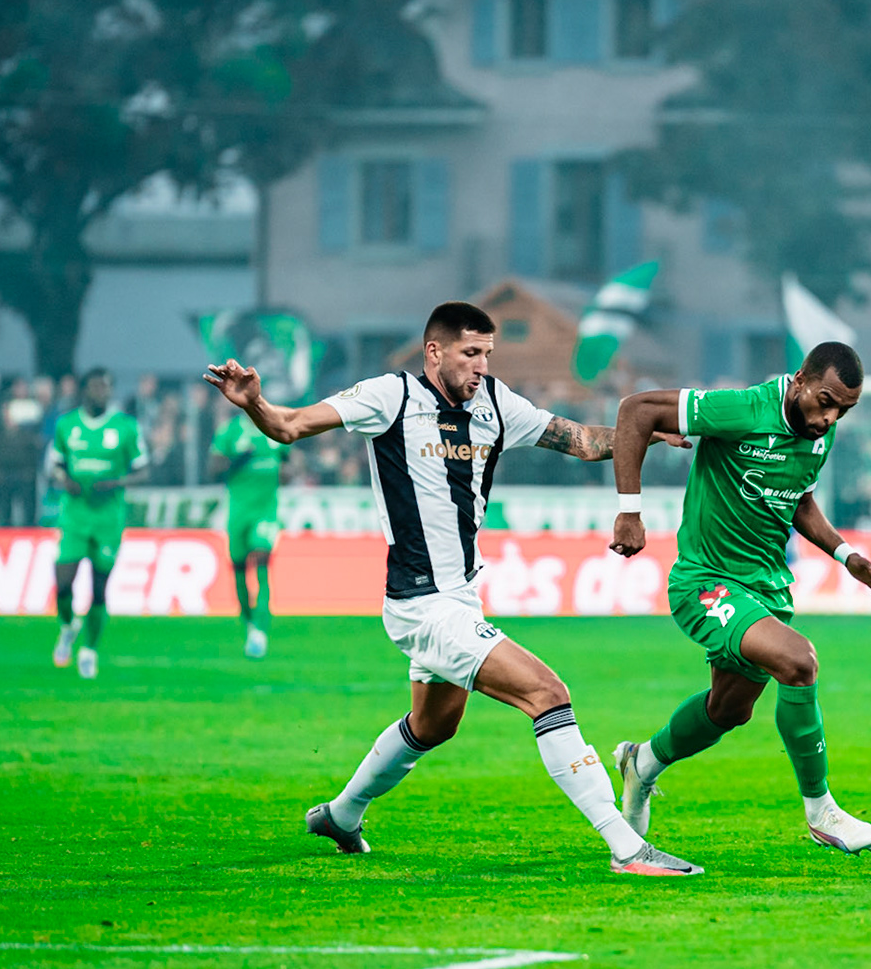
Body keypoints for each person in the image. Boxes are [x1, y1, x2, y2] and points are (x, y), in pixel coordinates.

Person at [204, 301, 702, 877]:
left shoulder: (495, 403)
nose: (481, 366)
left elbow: (585, 441)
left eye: (488, 354)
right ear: (433, 352)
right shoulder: (389, 396)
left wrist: (643, 432)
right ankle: (626, 846)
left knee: (434, 724)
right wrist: (255, 404)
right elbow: (289, 426)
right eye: (471, 354)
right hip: (420, 602)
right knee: (547, 693)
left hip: (460, 597)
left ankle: (342, 814)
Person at [607, 342, 871, 856]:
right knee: (798, 661)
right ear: (801, 379)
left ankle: (642, 763)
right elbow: (636, 410)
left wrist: (847, 556)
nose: (829, 418)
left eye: (842, 411)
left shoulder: (816, 435)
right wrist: (630, 511)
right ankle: (821, 810)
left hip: (764, 586)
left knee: (728, 710)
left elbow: (799, 498)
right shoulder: (743, 409)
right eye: (825, 401)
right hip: (705, 581)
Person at [46, 368, 148, 679]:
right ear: (84, 391)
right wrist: (64, 480)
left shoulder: (126, 428)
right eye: (95, 386)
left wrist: (118, 481)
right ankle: (67, 626)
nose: (100, 392)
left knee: (99, 588)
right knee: (63, 582)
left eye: (106, 386)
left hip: (108, 519)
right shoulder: (67, 425)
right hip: (75, 516)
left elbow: (143, 470)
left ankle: (89, 651)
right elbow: (55, 465)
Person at [208, 408, 288, 658]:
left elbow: (289, 460)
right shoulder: (230, 431)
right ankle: (250, 625)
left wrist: (287, 471)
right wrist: (239, 459)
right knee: (240, 573)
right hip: (238, 513)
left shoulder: (274, 425)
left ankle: (261, 631)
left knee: (263, 562)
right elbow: (212, 470)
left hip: (266, 511)